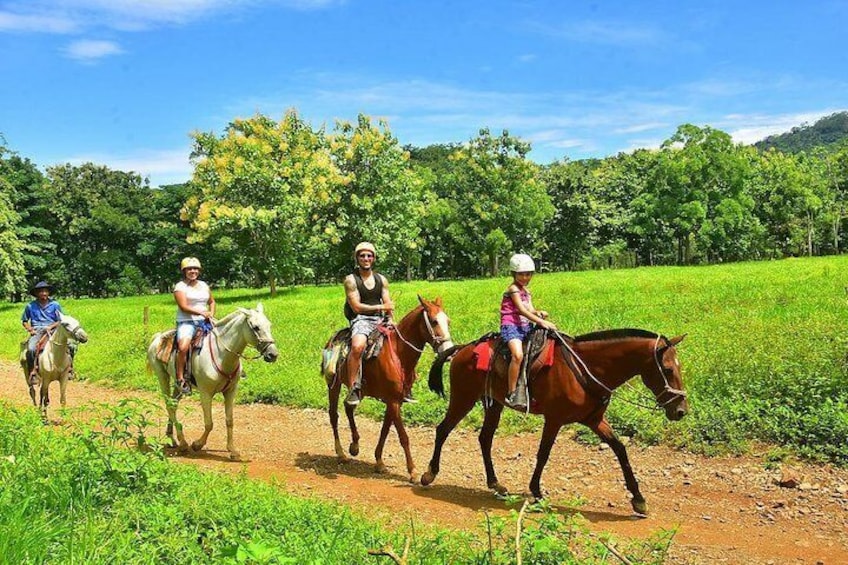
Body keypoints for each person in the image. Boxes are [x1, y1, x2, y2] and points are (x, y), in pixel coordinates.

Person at [343, 241, 406, 406]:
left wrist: (390, 318)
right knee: (357, 346)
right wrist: (381, 307)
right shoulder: (351, 280)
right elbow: (356, 306)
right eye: (362, 255)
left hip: (380, 319)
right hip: (361, 319)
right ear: (357, 258)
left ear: (374, 258)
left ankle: (404, 385)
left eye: (369, 255)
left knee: (401, 344)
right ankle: (353, 388)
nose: (366, 258)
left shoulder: (381, 279)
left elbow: (387, 302)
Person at [500, 253, 556, 410]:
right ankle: (511, 392)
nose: (525, 277)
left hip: (525, 327)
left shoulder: (527, 291)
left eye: (528, 274)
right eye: (521, 274)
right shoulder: (513, 289)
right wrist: (541, 321)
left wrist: (538, 312)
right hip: (511, 327)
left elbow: (530, 309)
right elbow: (521, 310)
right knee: (517, 355)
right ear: (514, 274)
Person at [174, 257, 215, 395]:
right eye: (190, 269)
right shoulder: (180, 287)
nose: (193, 271)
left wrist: (211, 314)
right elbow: (183, 307)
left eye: (195, 269)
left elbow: (212, 301)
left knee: (227, 337)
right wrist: (201, 312)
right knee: (183, 347)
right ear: (184, 271)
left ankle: (236, 370)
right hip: (187, 321)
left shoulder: (204, 285)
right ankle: (180, 378)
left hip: (204, 320)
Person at [21, 281, 65, 385]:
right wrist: (30, 329)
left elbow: (60, 320)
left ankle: (70, 369)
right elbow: (24, 321)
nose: (43, 293)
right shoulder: (30, 306)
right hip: (37, 330)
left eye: (45, 291)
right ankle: (33, 372)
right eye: (41, 291)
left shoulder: (55, 305)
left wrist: (51, 326)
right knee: (31, 349)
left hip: (53, 329)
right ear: (36, 294)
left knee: (70, 346)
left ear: (49, 293)